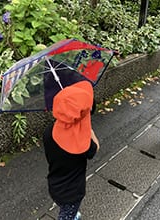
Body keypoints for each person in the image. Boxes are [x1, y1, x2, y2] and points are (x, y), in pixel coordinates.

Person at [43, 80, 100, 220]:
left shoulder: (49, 132)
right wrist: (88, 130)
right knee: (66, 215)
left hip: (55, 184)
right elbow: (96, 148)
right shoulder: (83, 143)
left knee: (65, 208)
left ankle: (71, 214)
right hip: (72, 193)